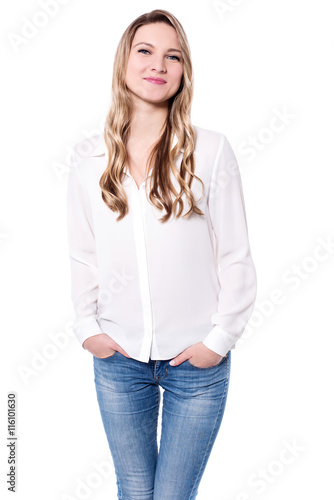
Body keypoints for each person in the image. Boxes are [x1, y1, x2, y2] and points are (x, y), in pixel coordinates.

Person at [66, 9, 257, 500]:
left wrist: (220, 339)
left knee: (171, 495)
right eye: (145, 51)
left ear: (184, 71)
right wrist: (88, 330)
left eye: (173, 56)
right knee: (132, 488)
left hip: (196, 362)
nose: (158, 64)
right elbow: (83, 253)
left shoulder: (211, 151)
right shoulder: (89, 159)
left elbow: (235, 253)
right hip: (119, 359)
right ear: (124, 63)